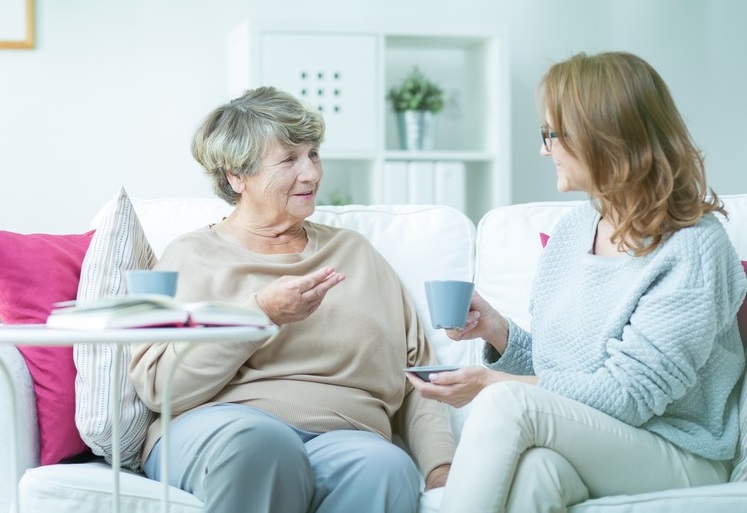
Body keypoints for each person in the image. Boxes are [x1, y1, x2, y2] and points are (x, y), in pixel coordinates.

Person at [406, 51, 747, 513]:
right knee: (536, 473)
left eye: (552, 134)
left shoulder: (693, 247)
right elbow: (562, 370)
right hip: (600, 437)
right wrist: (498, 333)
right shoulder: (573, 231)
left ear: (604, 136)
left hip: (682, 450)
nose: (544, 150)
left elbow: (629, 395)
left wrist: (491, 384)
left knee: (504, 403)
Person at [129, 86, 453, 513]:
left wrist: (439, 467)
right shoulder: (192, 255)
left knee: (386, 466)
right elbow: (158, 386)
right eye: (289, 160)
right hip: (224, 428)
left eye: (314, 154)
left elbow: (418, 377)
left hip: (349, 436)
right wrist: (259, 315)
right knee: (263, 445)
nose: (312, 174)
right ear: (235, 176)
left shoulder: (355, 254)